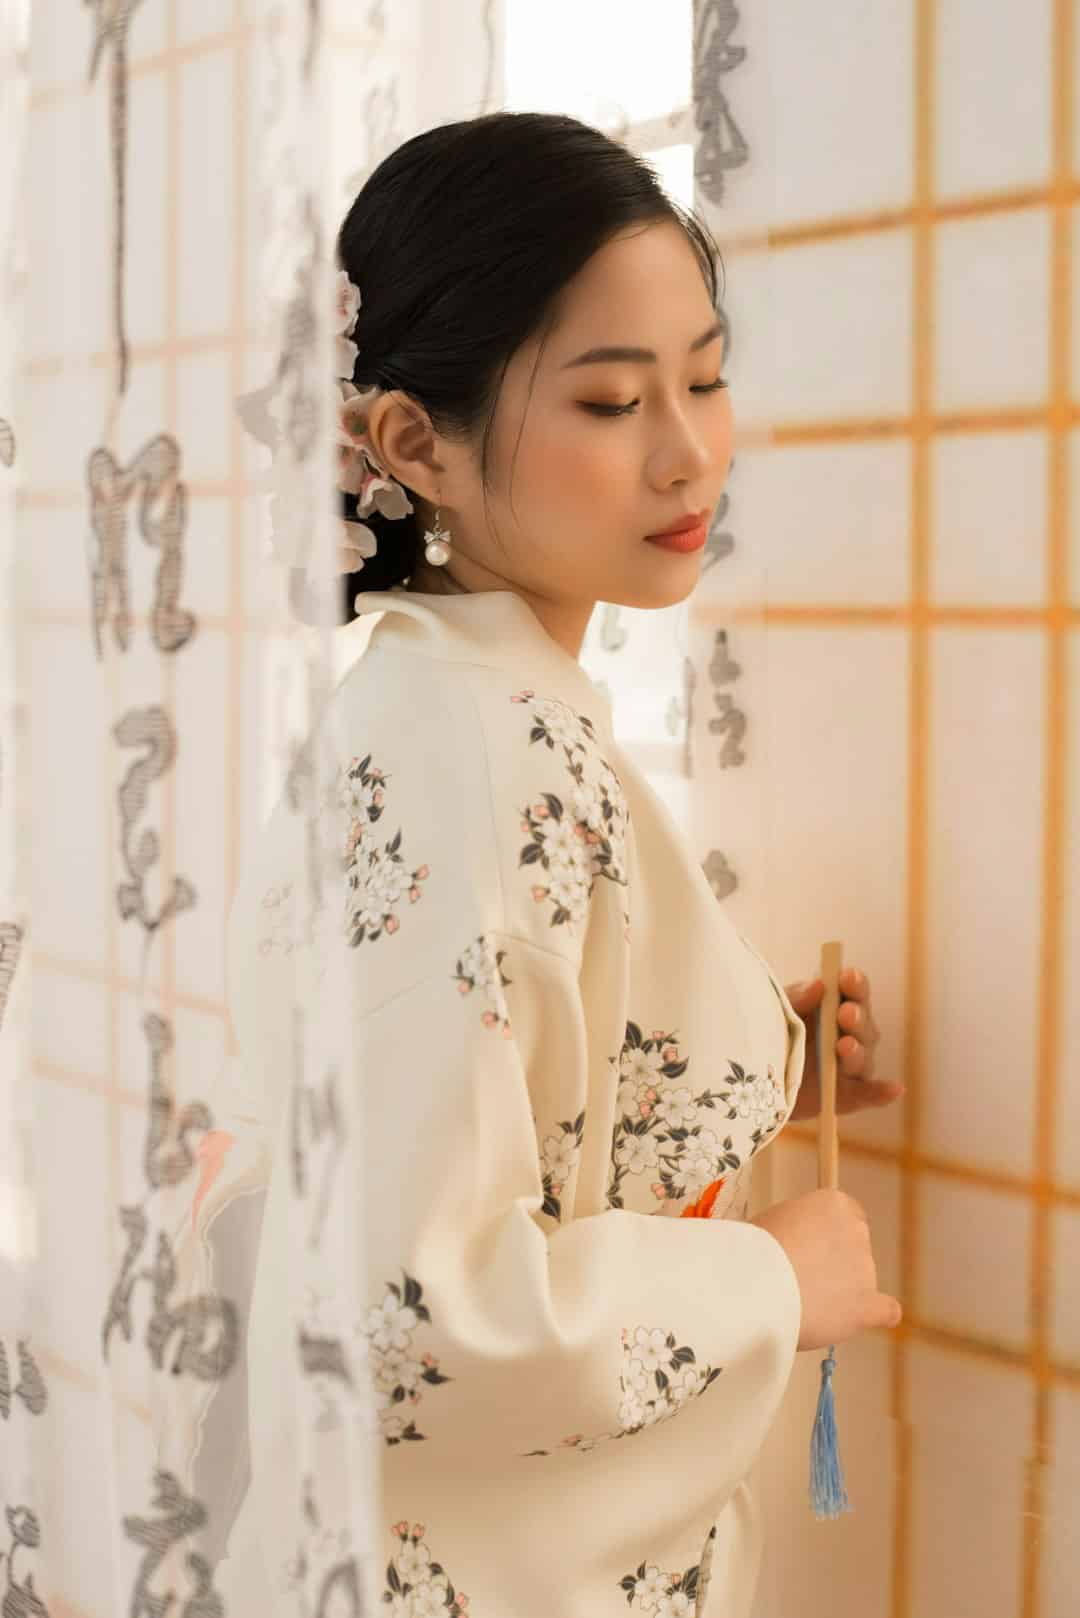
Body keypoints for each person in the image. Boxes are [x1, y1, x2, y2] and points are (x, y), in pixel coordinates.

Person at [208, 110, 902, 1617]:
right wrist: (773, 1279)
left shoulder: (462, 702)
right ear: (412, 444)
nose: (689, 450)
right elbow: (403, 1308)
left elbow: (499, 1085)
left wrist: (747, 1059)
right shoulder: (465, 743)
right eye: (608, 401)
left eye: (707, 379)